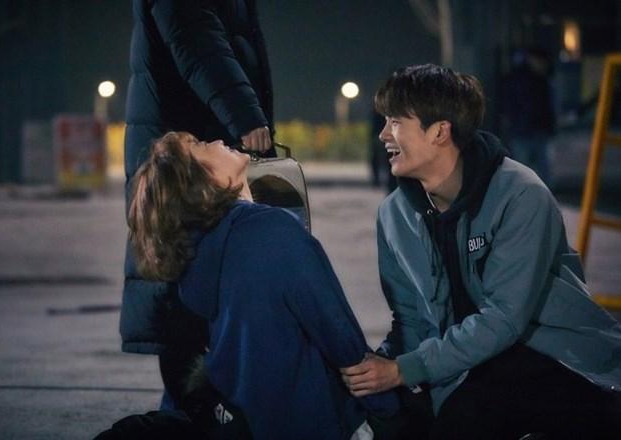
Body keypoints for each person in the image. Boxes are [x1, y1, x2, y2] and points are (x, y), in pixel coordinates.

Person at [341, 64, 621, 439]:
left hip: (547, 356)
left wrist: (405, 370)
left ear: (440, 131)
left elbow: (504, 318)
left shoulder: (520, 193)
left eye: (395, 122)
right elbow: (408, 319)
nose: (383, 134)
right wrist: (379, 367)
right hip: (460, 366)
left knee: (466, 420)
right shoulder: (394, 214)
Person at [126, 131, 399, 439]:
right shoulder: (273, 230)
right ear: (202, 181)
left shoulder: (199, 254)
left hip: (241, 422)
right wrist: (388, 410)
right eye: (201, 146)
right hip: (312, 423)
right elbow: (339, 336)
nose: (215, 141)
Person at [120, 0, 275, 416]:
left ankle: (194, 414)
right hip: (188, 152)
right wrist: (243, 114)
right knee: (186, 287)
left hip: (200, 138)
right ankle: (191, 417)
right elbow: (192, 33)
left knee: (206, 288)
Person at [502, 47, 556, 187]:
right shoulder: (526, 80)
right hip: (527, 130)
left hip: (529, 130)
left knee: (528, 169)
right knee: (533, 169)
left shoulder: (537, 79)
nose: (543, 65)